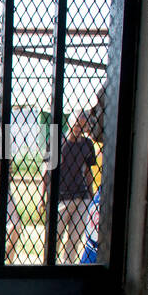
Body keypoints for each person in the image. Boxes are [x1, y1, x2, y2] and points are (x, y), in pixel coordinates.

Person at [56, 112, 98, 263]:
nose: (79, 129)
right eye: (77, 125)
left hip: (82, 197)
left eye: (83, 126)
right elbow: (47, 171)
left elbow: (88, 171)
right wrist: (45, 197)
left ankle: (67, 268)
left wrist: (91, 195)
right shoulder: (58, 141)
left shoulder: (87, 144)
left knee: (74, 240)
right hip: (62, 196)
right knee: (55, 237)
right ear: (70, 123)